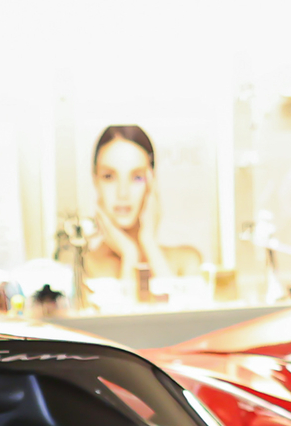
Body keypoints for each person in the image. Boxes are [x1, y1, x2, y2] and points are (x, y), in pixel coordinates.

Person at [78, 124, 204, 303]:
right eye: (109, 176)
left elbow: (184, 325)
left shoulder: (186, 261)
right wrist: (130, 255)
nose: (123, 193)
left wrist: (148, 242)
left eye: (137, 177)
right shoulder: (83, 270)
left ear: (152, 184)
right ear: (95, 181)